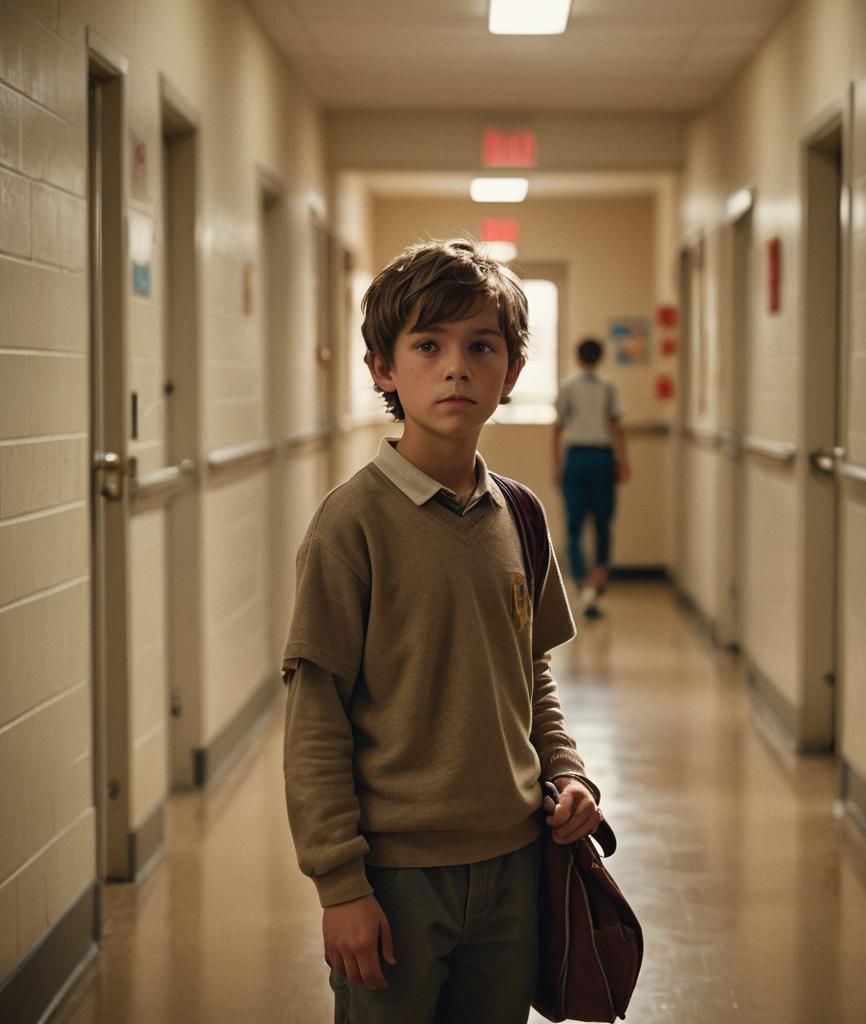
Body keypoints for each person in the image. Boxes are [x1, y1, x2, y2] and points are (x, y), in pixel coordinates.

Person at [281, 239, 602, 1024]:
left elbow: (531, 678)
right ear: (383, 369)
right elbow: (315, 717)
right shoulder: (350, 525)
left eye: (480, 346)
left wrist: (569, 774)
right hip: (394, 877)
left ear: (512, 373)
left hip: (513, 863)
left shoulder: (520, 516)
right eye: (428, 345)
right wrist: (340, 886)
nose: (456, 367)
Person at [553, 337, 629, 619]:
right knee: (603, 523)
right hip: (602, 457)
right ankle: (597, 582)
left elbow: (558, 427)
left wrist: (557, 463)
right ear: (600, 357)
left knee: (574, 525)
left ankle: (581, 583)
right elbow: (616, 426)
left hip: (575, 458)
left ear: (577, 356)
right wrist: (623, 461)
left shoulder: (568, 386)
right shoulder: (609, 386)